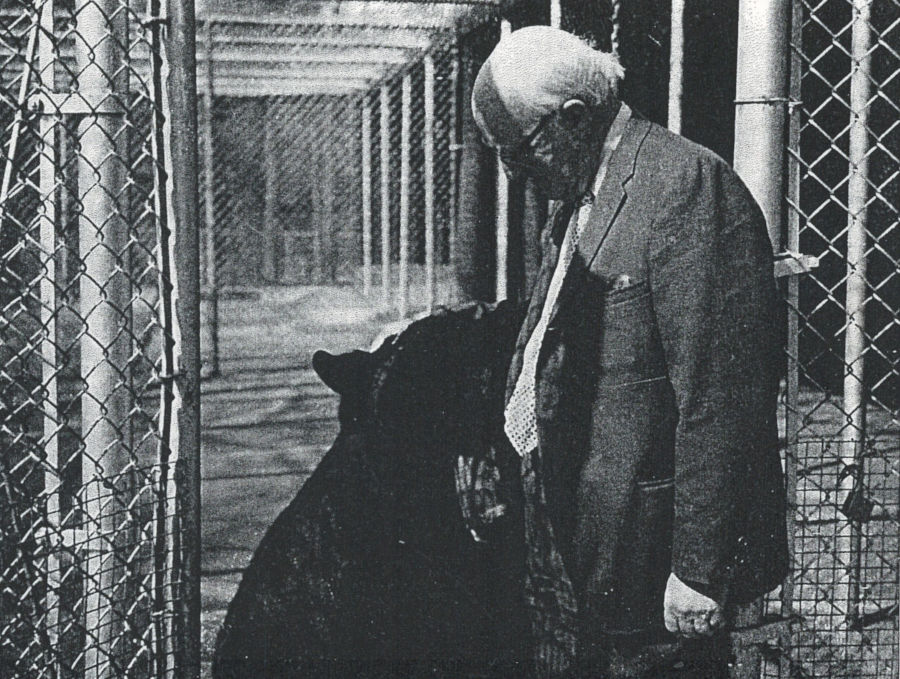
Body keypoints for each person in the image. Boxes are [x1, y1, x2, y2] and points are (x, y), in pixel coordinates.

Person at [468, 26, 789, 678]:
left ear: (574, 118)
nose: (510, 171)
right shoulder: (579, 193)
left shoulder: (685, 187)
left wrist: (699, 569)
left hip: (654, 566)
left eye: (516, 150)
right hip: (590, 545)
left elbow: (722, 396)